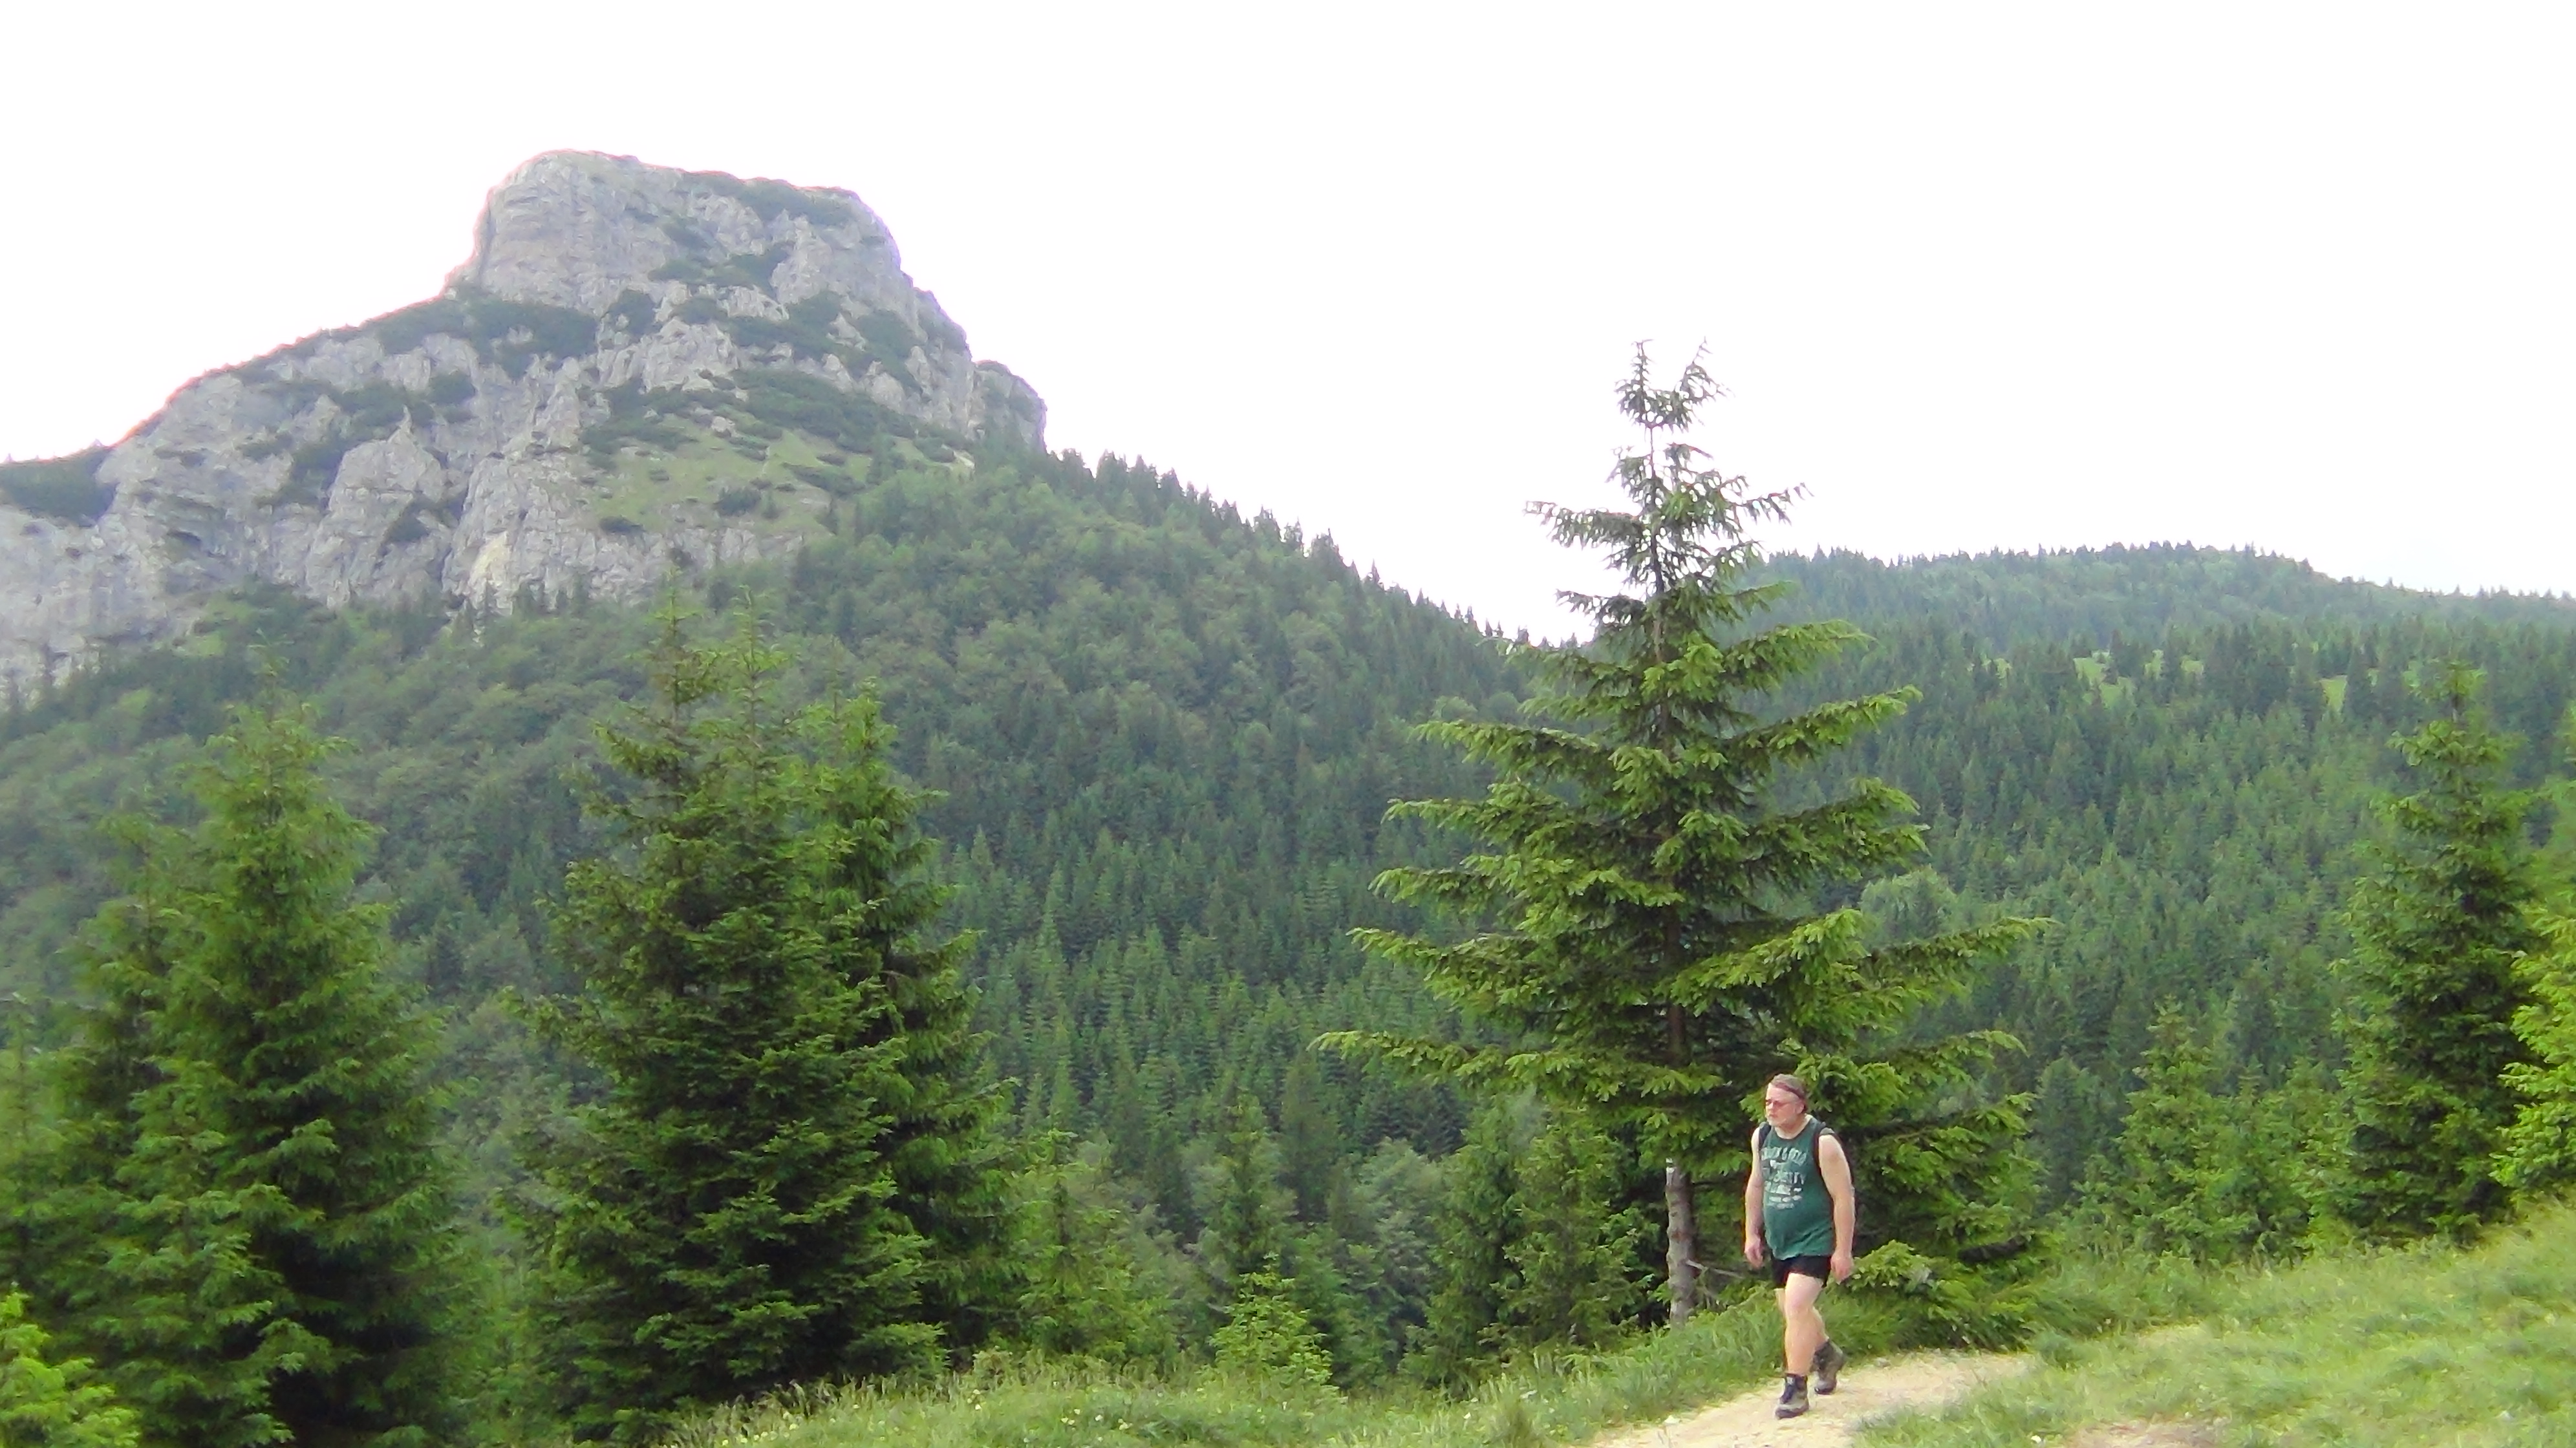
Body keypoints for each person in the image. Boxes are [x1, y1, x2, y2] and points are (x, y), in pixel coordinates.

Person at [1742, 1072, 1854, 1420]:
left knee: (1796, 1305)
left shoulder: (1821, 1141)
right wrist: (1751, 1233)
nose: (1771, 1109)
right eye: (1767, 1102)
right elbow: (1756, 1185)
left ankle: (1795, 1387)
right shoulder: (1763, 1136)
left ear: (1800, 1106)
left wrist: (1843, 1250)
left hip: (1815, 1239)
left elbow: (1843, 1197)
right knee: (1793, 1310)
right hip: (1780, 1240)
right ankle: (1827, 1354)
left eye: (1779, 1103)